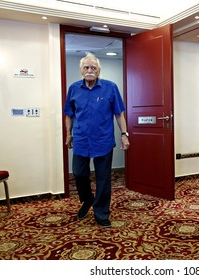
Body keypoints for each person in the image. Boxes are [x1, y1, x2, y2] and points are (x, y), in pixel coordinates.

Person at [64, 52, 130, 228]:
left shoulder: (110, 87)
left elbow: (119, 113)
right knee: (79, 174)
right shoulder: (74, 89)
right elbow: (69, 115)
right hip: (81, 139)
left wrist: (124, 134)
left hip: (103, 140)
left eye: (93, 67)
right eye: (86, 67)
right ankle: (87, 200)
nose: (90, 70)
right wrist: (68, 134)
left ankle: (101, 212)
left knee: (103, 178)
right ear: (81, 70)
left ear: (99, 70)